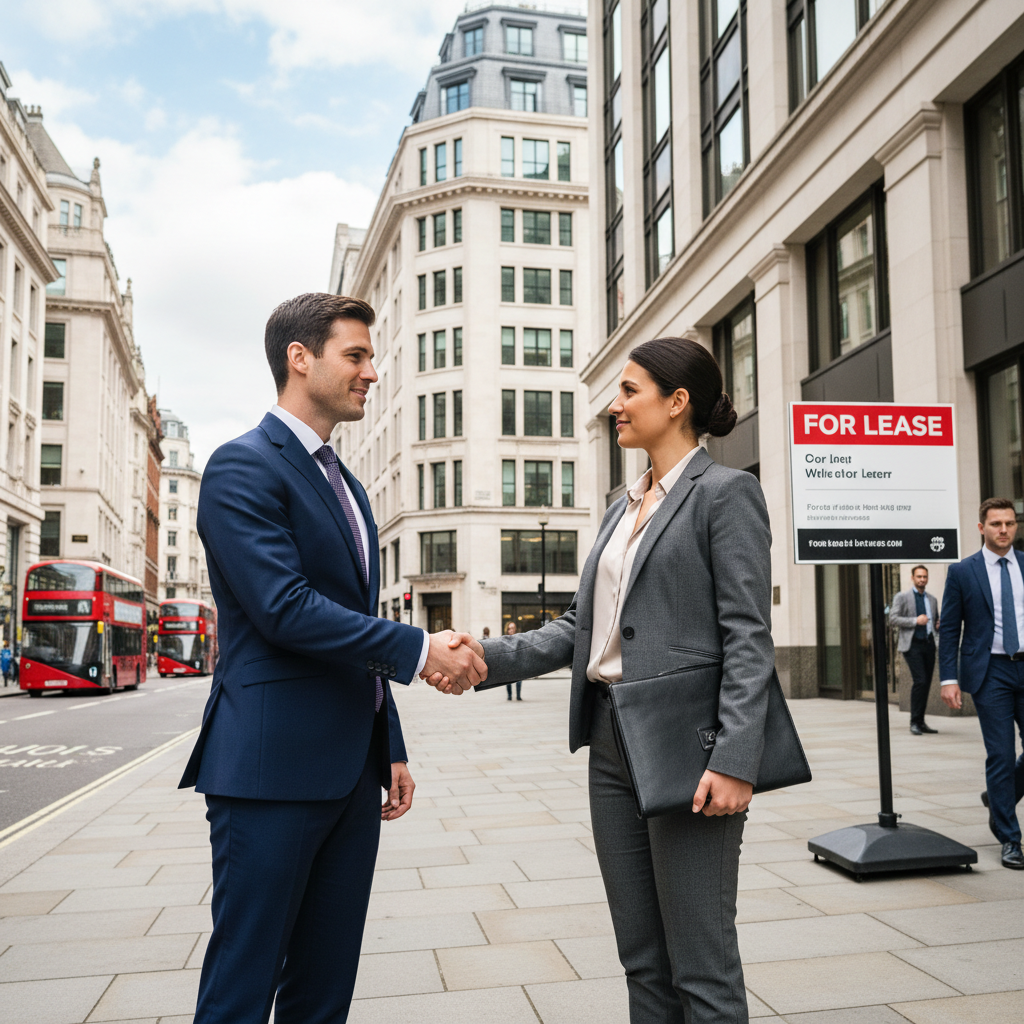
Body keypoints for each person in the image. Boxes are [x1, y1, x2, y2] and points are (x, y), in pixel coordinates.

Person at [434, 337, 772, 1023]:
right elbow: (579, 625)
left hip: (687, 747)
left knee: (701, 964)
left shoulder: (727, 494)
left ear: (677, 403)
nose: (614, 406)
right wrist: (485, 658)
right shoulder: (624, 504)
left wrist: (736, 759)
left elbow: (748, 636)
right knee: (642, 959)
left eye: (629, 391)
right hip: (611, 741)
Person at [179, 293, 487, 1024]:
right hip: (270, 771)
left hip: (351, 772)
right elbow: (283, 609)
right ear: (300, 358)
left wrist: (391, 744)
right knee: (242, 986)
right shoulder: (241, 467)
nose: (371, 373)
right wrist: (420, 648)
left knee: (324, 991)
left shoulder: (347, 485)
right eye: (356, 355)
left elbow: (348, 625)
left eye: (370, 358)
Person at [939, 497, 1024, 871]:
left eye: (1009, 523)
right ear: (981, 528)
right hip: (991, 672)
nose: (1003, 530)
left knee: (1008, 767)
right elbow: (949, 630)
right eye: (995, 524)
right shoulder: (963, 572)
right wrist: (948, 678)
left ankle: (999, 795)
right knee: (1001, 754)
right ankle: (1010, 837)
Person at [890, 565, 940, 734]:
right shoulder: (902, 597)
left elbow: (935, 622)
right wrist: (914, 621)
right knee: (920, 680)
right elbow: (893, 619)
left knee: (925, 683)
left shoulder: (932, 600)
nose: (922, 579)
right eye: (919, 576)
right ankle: (914, 722)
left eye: (925, 576)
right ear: (912, 578)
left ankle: (921, 721)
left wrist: (938, 625)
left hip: (929, 644)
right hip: (912, 645)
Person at [504, 621, 523, 701]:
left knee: (519, 680)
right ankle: (509, 695)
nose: (511, 630)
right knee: (508, 681)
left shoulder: (518, 638)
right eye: (509, 628)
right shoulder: (504, 639)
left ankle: (518, 695)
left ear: (515, 629)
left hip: (517, 662)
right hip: (508, 662)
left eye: (512, 628)